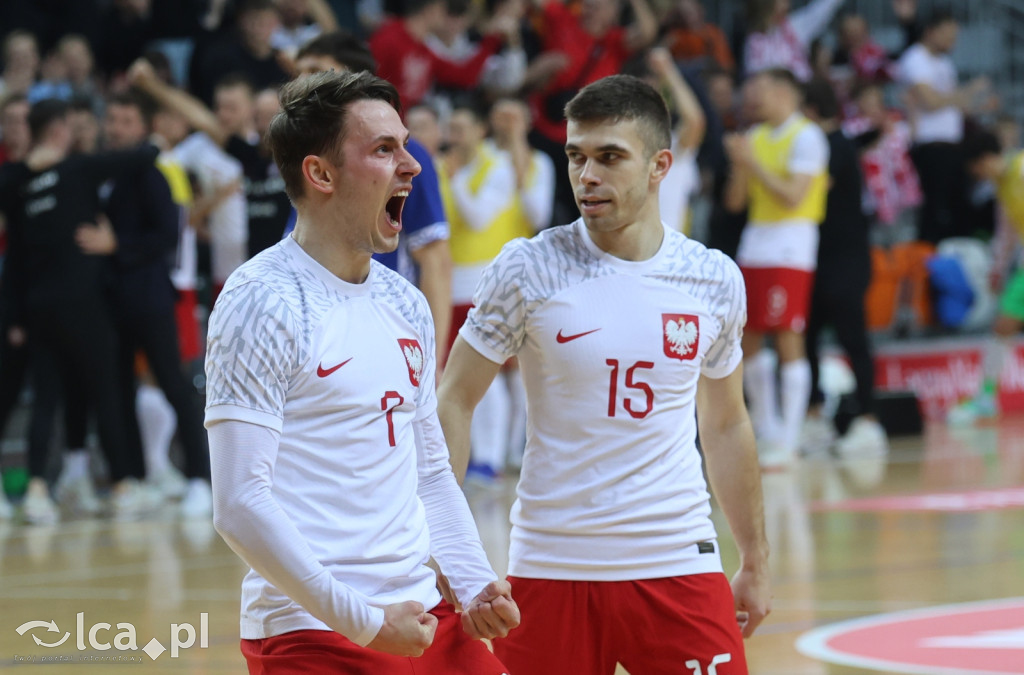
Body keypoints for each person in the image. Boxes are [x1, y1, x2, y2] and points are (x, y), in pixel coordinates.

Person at [438, 74, 770, 674]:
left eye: (609, 157)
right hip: (550, 566)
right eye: (575, 156)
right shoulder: (527, 267)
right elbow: (453, 400)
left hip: (678, 560)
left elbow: (725, 423)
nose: (586, 175)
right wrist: (446, 547)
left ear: (659, 165)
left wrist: (755, 558)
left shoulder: (713, 278)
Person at [205, 69, 519, 673]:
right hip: (314, 629)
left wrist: (473, 579)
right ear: (320, 174)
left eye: (405, 144)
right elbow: (240, 502)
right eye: (384, 149)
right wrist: (366, 623)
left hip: (424, 617)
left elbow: (429, 472)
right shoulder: (260, 300)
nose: (413, 165)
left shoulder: (404, 302)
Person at [0, 99, 160, 522]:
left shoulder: (16, 184)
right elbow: (140, 156)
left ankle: (37, 490)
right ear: (57, 131)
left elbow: (14, 257)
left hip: (38, 308)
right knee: (106, 391)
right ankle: (124, 485)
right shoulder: (77, 169)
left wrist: (15, 316)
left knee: (47, 398)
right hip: (84, 305)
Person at [293, 31, 454, 368]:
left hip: (382, 332)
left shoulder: (407, 157)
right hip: (317, 335)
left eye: (314, 70)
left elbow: (435, 259)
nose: (301, 81)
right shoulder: (308, 155)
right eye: (299, 71)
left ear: (349, 77)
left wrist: (432, 364)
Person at [97, 93, 214, 516]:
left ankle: (201, 478)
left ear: (143, 128)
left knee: (174, 384)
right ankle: (136, 478)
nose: (116, 127)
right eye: (112, 118)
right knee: (119, 391)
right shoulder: (106, 172)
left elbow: (167, 236)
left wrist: (117, 245)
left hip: (150, 297)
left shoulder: (151, 173)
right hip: (113, 301)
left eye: (126, 120)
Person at [724, 68, 830, 467]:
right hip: (755, 244)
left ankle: (789, 437)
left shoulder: (807, 136)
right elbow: (735, 202)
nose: (753, 96)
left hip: (791, 244)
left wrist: (753, 163)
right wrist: (740, 166)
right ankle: (766, 429)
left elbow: (792, 196)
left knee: (788, 335)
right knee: (747, 337)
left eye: (761, 88)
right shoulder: (754, 137)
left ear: (786, 92)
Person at [800, 79, 888, 456]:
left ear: (810, 111)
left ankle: (867, 419)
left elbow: (810, 190)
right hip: (816, 258)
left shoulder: (834, 146)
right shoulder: (826, 144)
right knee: (807, 339)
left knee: (854, 338)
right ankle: (815, 416)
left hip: (847, 261)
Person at [898, 9, 995, 244]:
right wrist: (969, 91)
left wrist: (981, 106)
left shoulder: (944, 63)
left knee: (958, 212)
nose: (953, 42)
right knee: (935, 213)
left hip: (952, 145)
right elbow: (929, 102)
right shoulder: (915, 59)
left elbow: (954, 106)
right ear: (931, 32)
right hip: (930, 147)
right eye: (948, 36)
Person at [948, 130, 1024, 425]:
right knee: (1003, 326)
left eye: (977, 169)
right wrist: (998, 268)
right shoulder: (1002, 186)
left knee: (1003, 325)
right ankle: (986, 398)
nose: (978, 176)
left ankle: (985, 397)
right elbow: (1007, 232)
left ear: (985, 159)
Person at [743, 0, 845, 82]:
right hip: (773, 96)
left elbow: (821, 10)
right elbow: (755, 75)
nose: (788, 2)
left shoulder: (794, 26)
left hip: (803, 92)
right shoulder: (754, 39)